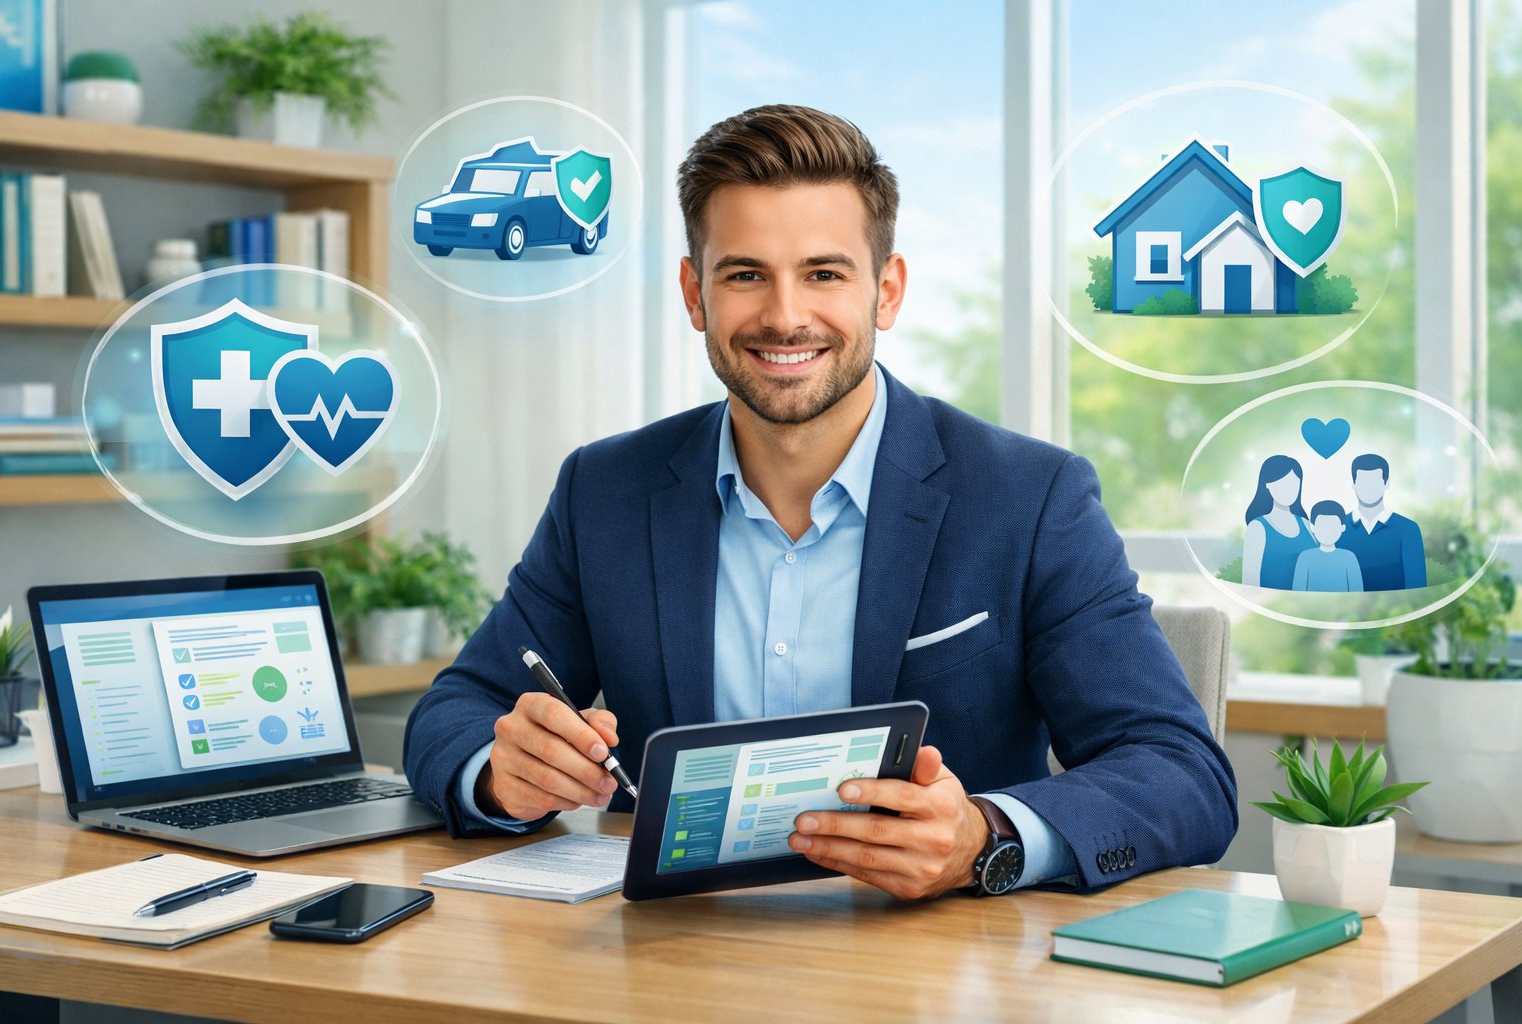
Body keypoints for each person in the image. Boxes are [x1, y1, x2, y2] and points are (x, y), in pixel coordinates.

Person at [403, 104, 1237, 900]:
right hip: (664, 960)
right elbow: (456, 709)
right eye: (746, 275)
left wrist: (985, 838)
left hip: (937, 970)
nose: (785, 315)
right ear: (696, 296)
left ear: (887, 290)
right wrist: (496, 771)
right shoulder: (605, 491)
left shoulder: (1029, 497)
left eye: (824, 273)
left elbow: (1179, 771)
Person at [1338, 453, 1426, 591]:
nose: (1368, 488)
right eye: (1363, 482)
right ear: (1353, 484)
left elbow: (1417, 587)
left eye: (1374, 481)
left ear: (1387, 483)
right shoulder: (1337, 528)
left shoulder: (1408, 529)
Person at [1241, 455, 1314, 590]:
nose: (1289, 490)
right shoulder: (1257, 527)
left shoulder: (1306, 524)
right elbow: (1250, 581)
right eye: (1283, 484)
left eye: (1294, 484)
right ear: (1267, 484)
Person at [1292, 500, 1364, 593]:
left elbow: (1357, 592)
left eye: (1333, 525)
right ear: (1313, 527)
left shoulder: (1349, 558)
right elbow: (1297, 592)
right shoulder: (1305, 557)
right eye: (1322, 525)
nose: (1327, 530)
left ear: (1342, 527)